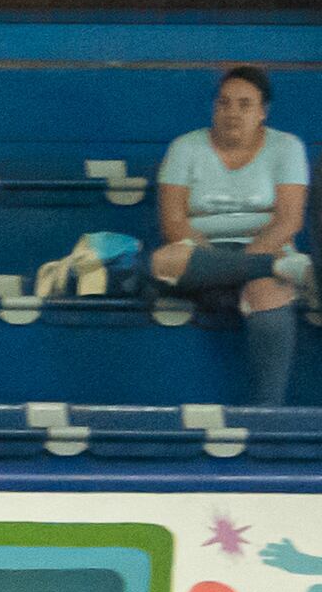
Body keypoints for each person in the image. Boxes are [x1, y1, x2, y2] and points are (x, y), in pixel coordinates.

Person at [83, 65, 308, 407]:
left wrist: (243, 262)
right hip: (203, 254)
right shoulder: (184, 147)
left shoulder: (287, 147)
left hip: (266, 249)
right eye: (224, 103)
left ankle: (267, 414)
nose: (232, 112)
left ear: (263, 112)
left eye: (245, 105)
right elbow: (173, 223)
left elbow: (288, 221)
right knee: (165, 260)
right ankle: (273, 271)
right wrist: (223, 262)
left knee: (267, 295)